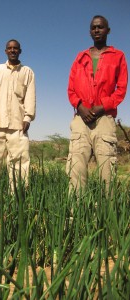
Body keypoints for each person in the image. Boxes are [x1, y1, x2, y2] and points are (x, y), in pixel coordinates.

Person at [66, 15, 128, 193]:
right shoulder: (80, 57)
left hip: (104, 117)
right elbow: (71, 89)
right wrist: (80, 106)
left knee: (106, 169)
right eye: (93, 28)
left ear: (108, 30)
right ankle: (75, 213)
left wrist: (103, 106)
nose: (97, 30)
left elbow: (121, 89)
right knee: (76, 167)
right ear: (90, 31)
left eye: (100, 27)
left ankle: (106, 215)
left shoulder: (118, 56)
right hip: (81, 118)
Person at [0, 39, 36, 186]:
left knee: (20, 164)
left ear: (20, 51)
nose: (12, 50)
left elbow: (30, 97)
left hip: (18, 125)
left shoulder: (27, 72)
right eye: (9, 48)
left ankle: (17, 198)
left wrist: (28, 117)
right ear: (5, 51)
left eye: (15, 48)